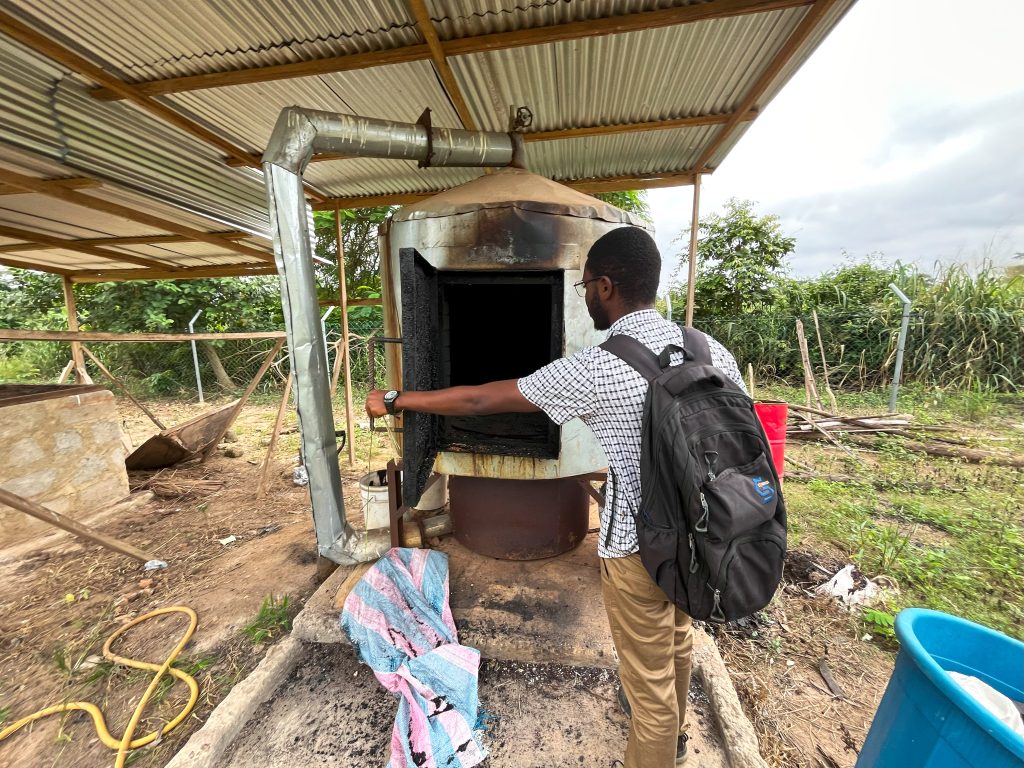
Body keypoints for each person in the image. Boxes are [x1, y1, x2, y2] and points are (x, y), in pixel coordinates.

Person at [366, 226, 746, 767]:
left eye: (586, 284)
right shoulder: (711, 350)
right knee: (677, 639)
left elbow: (479, 399)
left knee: (650, 688)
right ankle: (675, 735)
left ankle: (657, 749)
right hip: (704, 531)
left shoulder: (600, 366)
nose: (585, 294)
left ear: (607, 286)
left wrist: (397, 398)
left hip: (641, 546)